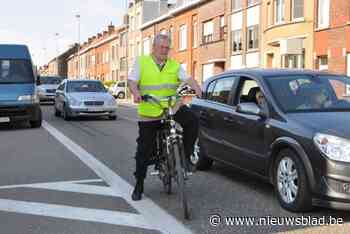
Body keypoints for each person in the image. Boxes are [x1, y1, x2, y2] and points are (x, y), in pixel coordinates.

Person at [127, 34, 202, 201]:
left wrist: (197, 89)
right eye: (161, 47)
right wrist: (137, 93)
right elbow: (132, 81)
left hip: (171, 108)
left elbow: (188, 79)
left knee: (193, 121)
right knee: (144, 150)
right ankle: (139, 184)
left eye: (167, 48)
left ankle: (186, 157)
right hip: (150, 110)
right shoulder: (142, 62)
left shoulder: (174, 65)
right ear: (153, 47)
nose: (164, 50)